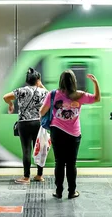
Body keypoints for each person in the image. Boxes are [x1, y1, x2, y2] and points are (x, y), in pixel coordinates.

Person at [40, 70, 100, 199]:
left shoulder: (53, 94)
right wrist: (95, 83)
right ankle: (72, 191)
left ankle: (59, 191)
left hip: (57, 131)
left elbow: (42, 111)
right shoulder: (80, 95)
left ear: (60, 81)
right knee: (71, 163)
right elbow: (97, 98)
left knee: (59, 162)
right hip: (74, 133)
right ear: (74, 81)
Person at [3, 67, 48, 184]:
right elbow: (49, 97)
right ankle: (39, 175)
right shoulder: (43, 92)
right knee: (39, 149)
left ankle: (26, 177)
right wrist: (41, 84)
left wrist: (10, 104)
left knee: (26, 150)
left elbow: (5, 97)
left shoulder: (21, 90)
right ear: (38, 79)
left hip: (24, 123)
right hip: (38, 122)